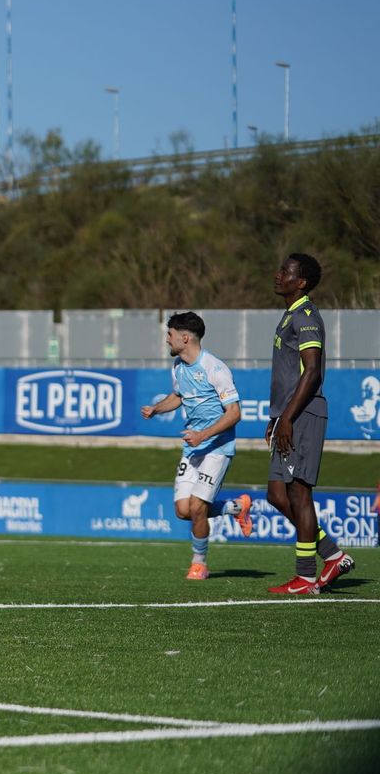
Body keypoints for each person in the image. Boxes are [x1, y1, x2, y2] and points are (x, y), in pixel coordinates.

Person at [262, 253, 354, 594]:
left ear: (300, 282)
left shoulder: (306, 316)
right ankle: (332, 555)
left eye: (285, 271)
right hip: (287, 417)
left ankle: (305, 575)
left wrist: (287, 417)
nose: (278, 274)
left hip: (304, 415)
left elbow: (312, 371)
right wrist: (276, 418)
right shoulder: (289, 316)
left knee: (299, 493)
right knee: (276, 494)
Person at [140, 311, 253, 580]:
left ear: (185, 337)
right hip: (193, 449)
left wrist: (203, 435)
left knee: (198, 507)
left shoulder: (215, 368)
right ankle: (237, 507)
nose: (167, 339)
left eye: (170, 334)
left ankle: (199, 562)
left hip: (217, 447)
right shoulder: (178, 366)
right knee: (183, 511)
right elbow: (178, 396)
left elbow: (234, 413)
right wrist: (157, 408)